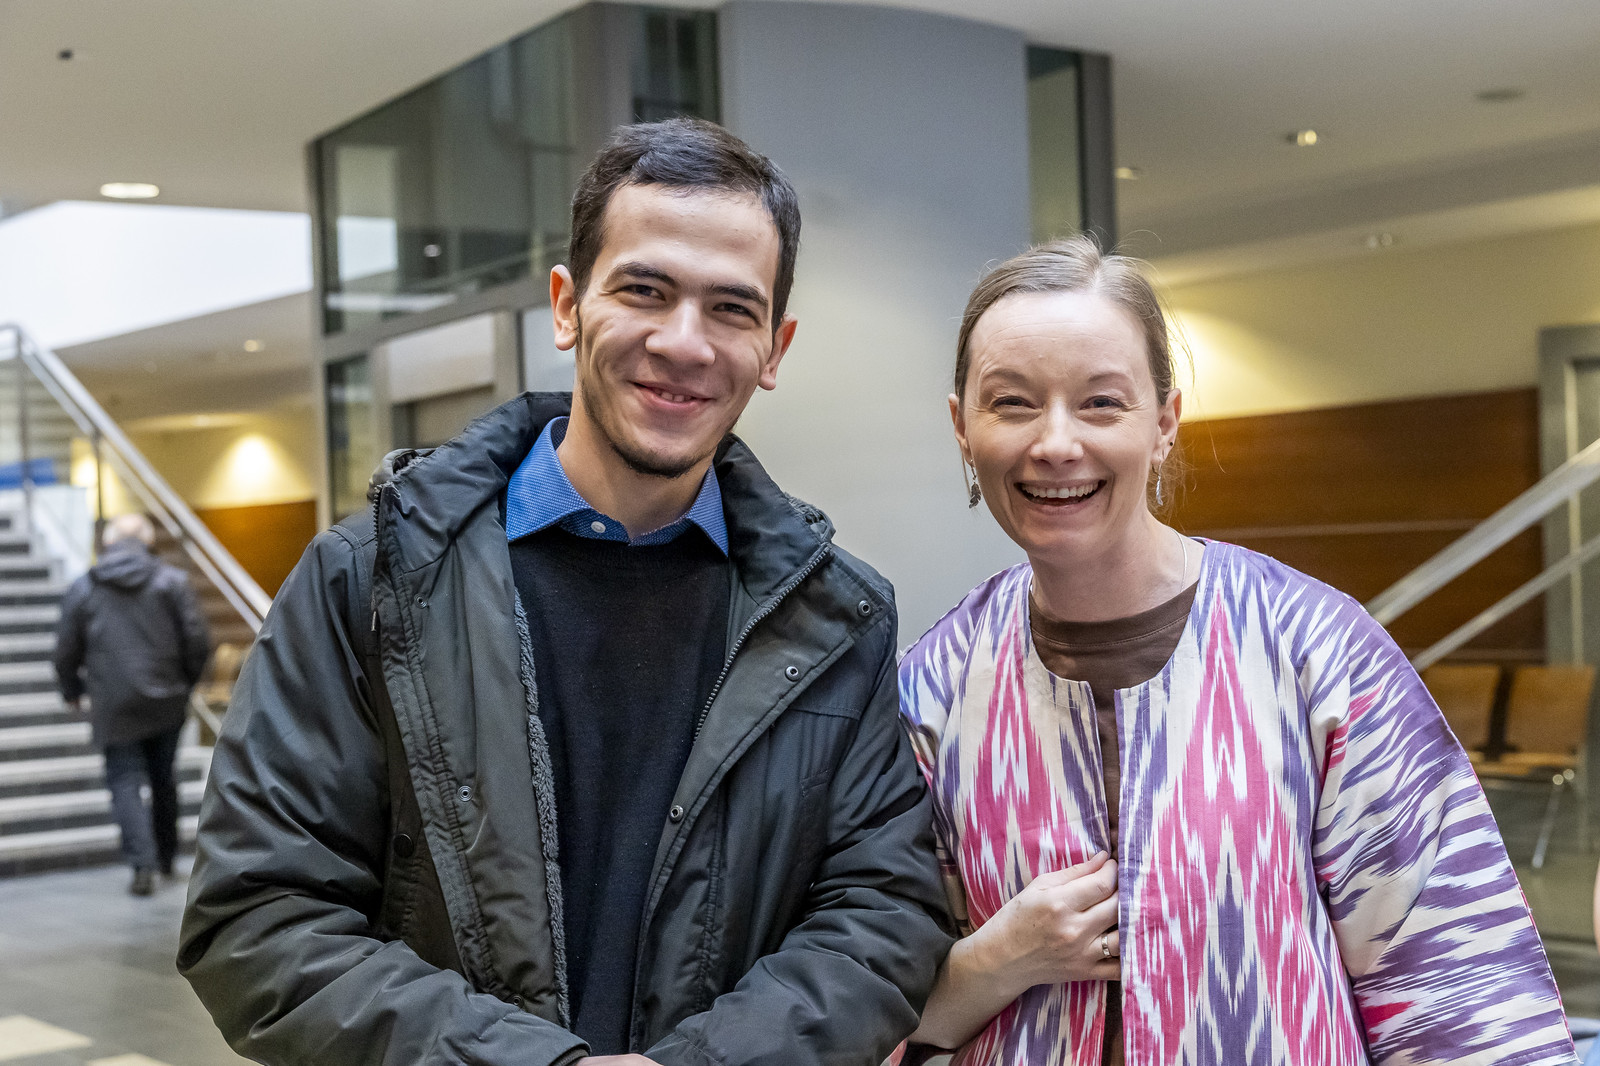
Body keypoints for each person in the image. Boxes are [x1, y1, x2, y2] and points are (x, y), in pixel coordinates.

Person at [178, 118, 952, 1066]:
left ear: (774, 347)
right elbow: (259, 919)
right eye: (644, 290)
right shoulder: (370, 581)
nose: (684, 342)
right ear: (567, 306)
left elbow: (882, 915)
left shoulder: (836, 616)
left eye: (731, 309)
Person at [897, 236, 1577, 1065]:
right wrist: (999, 959)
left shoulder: (1314, 649)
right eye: (1012, 404)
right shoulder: (935, 687)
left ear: (1164, 424)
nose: (1057, 443)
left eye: (1102, 403)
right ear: (962, 429)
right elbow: (861, 996)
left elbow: (1459, 982)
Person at [53, 512, 210, 896]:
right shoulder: (171, 581)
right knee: (163, 778)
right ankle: (167, 857)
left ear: (107, 543)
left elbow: (66, 648)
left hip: (113, 702)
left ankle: (142, 866)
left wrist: (72, 689)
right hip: (166, 697)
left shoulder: (85, 587)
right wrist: (186, 682)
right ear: (148, 541)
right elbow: (197, 640)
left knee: (123, 780)